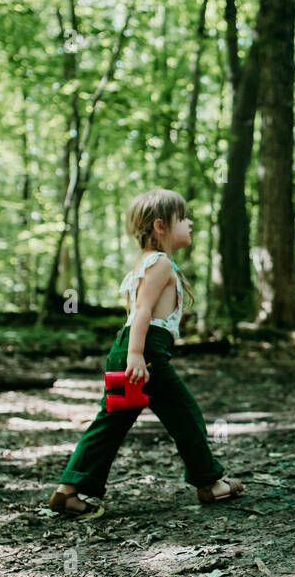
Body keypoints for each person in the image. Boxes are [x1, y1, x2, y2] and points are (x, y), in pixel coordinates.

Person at [48, 189, 245, 517]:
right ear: (160, 226)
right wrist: (137, 356)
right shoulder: (160, 263)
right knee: (185, 414)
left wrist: (132, 353)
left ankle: (68, 490)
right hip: (144, 354)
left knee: (110, 423)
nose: (190, 222)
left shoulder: (148, 263)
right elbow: (142, 311)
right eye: (183, 218)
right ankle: (209, 482)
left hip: (131, 349)